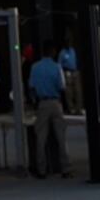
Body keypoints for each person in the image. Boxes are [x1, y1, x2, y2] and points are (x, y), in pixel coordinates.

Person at [26, 45, 69, 177]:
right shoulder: (57, 67)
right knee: (61, 137)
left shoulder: (35, 67)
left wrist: (33, 101)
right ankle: (66, 168)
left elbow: (31, 86)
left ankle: (41, 169)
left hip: (42, 103)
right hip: (55, 102)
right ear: (53, 52)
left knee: (41, 137)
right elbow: (62, 86)